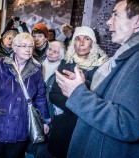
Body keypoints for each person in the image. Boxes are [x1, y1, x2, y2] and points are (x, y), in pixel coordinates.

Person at [54, 0, 139, 157]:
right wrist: (83, 86)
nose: (108, 21)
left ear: (137, 21)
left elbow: (129, 125)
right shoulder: (131, 55)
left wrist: (78, 93)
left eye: (115, 15)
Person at [0, 32, 50, 158]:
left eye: (31, 46)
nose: (28, 49)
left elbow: (40, 97)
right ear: (14, 48)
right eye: (23, 46)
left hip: (21, 125)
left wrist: (44, 121)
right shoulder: (0, 65)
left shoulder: (37, 69)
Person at [47, 26, 108, 158]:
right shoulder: (66, 63)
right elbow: (54, 95)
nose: (81, 43)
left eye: (86, 39)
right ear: (73, 42)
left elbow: (104, 99)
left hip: (89, 129)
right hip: (65, 127)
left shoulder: (103, 67)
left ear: (93, 43)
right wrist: (82, 104)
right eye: (77, 39)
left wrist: (75, 96)